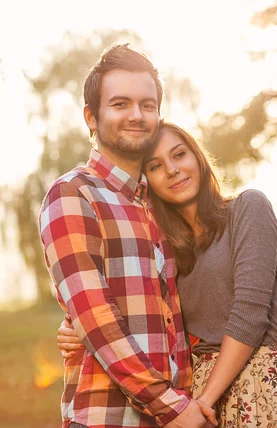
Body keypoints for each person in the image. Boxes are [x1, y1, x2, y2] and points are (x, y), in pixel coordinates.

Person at [58, 122, 277, 427]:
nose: (172, 170)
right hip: (198, 391)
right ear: (147, 182)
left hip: (262, 382)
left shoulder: (248, 208)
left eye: (179, 155)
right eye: (156, 166)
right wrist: (76, 324)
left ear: (197, 157)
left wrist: (201, 404)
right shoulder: (168, 249)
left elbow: (250, 315)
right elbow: (149, 310)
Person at [38, 45, 215, 428]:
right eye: (120, 104)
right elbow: (98, 322)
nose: (137, 115)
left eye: (147, 105)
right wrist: (173, 408)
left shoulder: (163, 203)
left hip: (183, 410)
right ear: (91, 117)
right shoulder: (73, 195)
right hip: (113, 418)